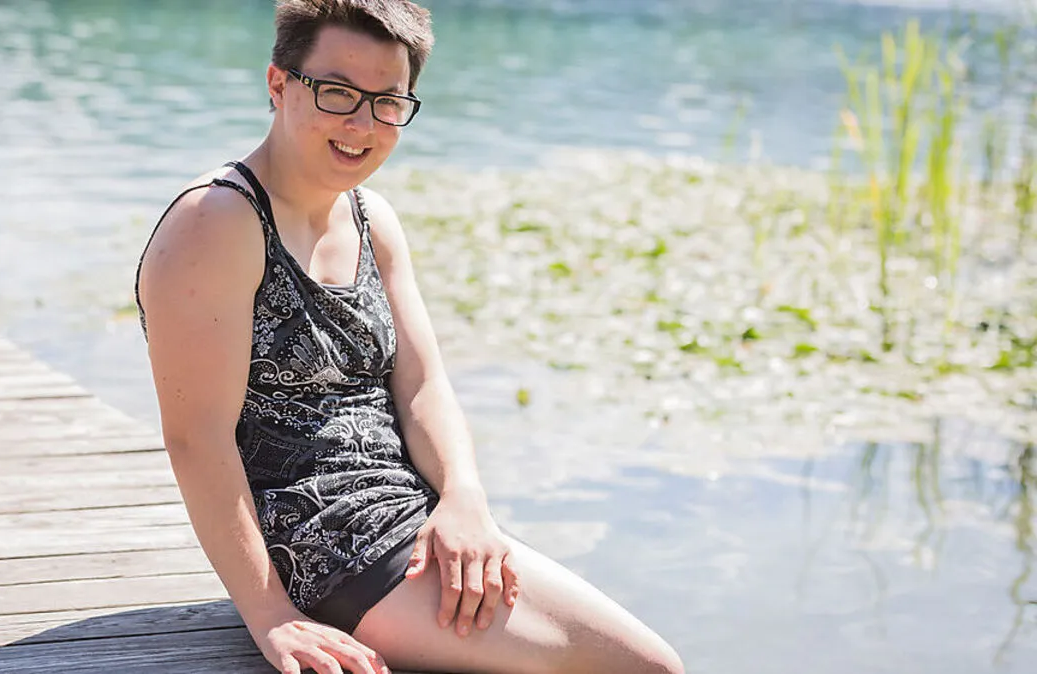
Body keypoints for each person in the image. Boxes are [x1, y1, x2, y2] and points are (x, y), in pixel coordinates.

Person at [134, 1, 684, 672]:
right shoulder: (217, 222)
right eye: (337, 93)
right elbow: (198, 438)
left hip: (408, 513)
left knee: (646, 661)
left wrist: (464, 499)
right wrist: (272, 615)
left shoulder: (372, 218)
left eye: (387, 102)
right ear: (279, 84)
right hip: (317, 548)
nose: (362, 125)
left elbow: (423, 385)